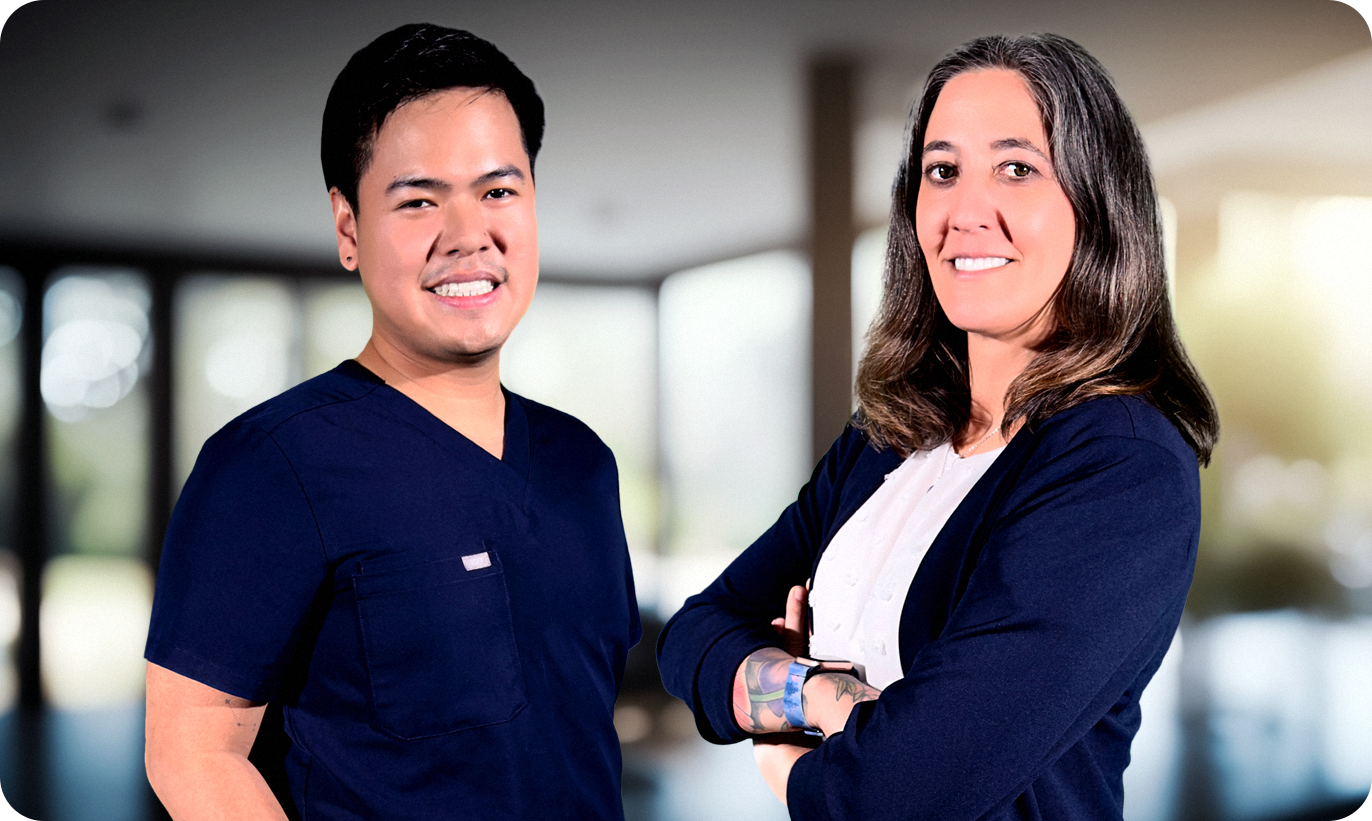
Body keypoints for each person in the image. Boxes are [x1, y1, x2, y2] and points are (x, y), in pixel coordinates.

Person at [657, 32, 1218, 821]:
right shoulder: (886, 436)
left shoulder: (1122, 467)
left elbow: (901, 789)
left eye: (1018, 168)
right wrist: (821, 695)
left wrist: (798, 770)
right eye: (942, 170)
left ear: (1096, 205)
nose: (964, 211)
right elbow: (693, 635)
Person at [144, 23, 640, 820]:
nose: (468, 235)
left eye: (498, 190)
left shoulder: (583, 463)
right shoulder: (273, 462)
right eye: (418, 200)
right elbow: (191, 748)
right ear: (348, 229)